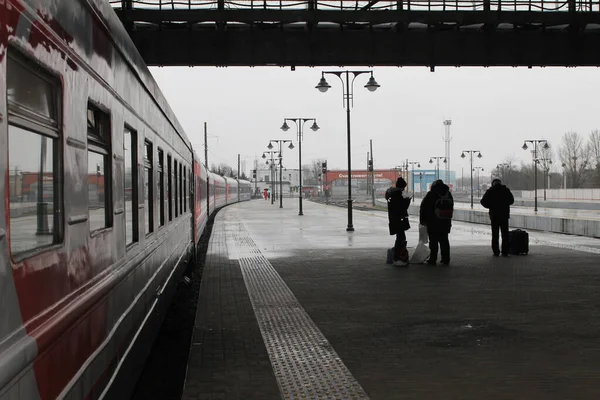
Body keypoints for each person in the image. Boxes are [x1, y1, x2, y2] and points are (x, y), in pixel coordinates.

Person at [419, 179, 453, 266]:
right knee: (444, 240)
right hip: (445, 221)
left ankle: (433, 259)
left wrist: (422, 220)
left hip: (433, 222)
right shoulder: (448, 194)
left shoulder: (431, 194)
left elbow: (424, 207)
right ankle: (446, 259)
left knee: (433, 241)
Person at [480, 178, 515, 256]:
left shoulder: (490, 191)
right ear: (500, 183)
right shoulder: (506, 190)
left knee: (495, 235)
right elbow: (511, 201)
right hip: (504, 215)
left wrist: (490, 206)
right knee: (505, 234)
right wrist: (505, 204)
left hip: (494, 216)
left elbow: (483, 202)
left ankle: (496, 251)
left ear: (493, 184)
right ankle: (505, 251)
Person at [385, 177, 412, 266]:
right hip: (398, 219)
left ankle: (398, 256)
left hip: (393, 218)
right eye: (403, 188)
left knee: (400, 237)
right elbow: (402, 207)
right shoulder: (397, 194)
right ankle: (398, 257)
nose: (404, 189)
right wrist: (407, 200)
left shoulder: (391, 193)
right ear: (401, 187)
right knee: (401, 238)